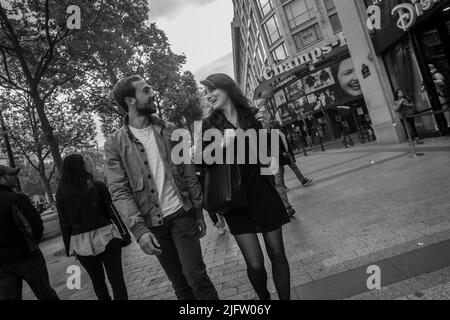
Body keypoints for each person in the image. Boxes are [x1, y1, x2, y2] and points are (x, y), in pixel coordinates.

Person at [105, 75, 218, 300]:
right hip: (153, 224)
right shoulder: (115, 143)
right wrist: (138, 229)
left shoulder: (170, 130)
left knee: (196, 277)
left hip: (181, 214)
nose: (153, 93)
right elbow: (119, 190)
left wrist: (198, 211)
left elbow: (188, 172)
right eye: (146, 91)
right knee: (180, 285)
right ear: (131, 101)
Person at [199, 73, 291, 300]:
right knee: (256, 264)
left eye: (212, 90)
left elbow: (268, 158)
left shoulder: (251, 115)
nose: (208, 96)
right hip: (235, 199)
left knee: (278, 254)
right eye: (206, 93)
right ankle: (265, 300)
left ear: (227, 88)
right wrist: (222, 144)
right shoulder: (208, 124)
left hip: (262, 191)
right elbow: (201, 161)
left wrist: (267, 129)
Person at [55, 154, 128, 300]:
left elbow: (64, 223)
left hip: (81, 241)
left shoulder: (61, 194)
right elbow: (111, 211)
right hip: (106, 235)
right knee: (117, 279)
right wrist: (124, 232)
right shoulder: (97, 185)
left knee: (97, 281)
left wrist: (69, 247)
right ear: (82, 166)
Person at [0, 165, 59, 300]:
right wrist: (33, 243)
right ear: (1, 180)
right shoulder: (17, 199)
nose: (16, 177)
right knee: (45, 293)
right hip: (27, 256)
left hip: (2, 264)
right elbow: (35, 227)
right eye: (10, 175)